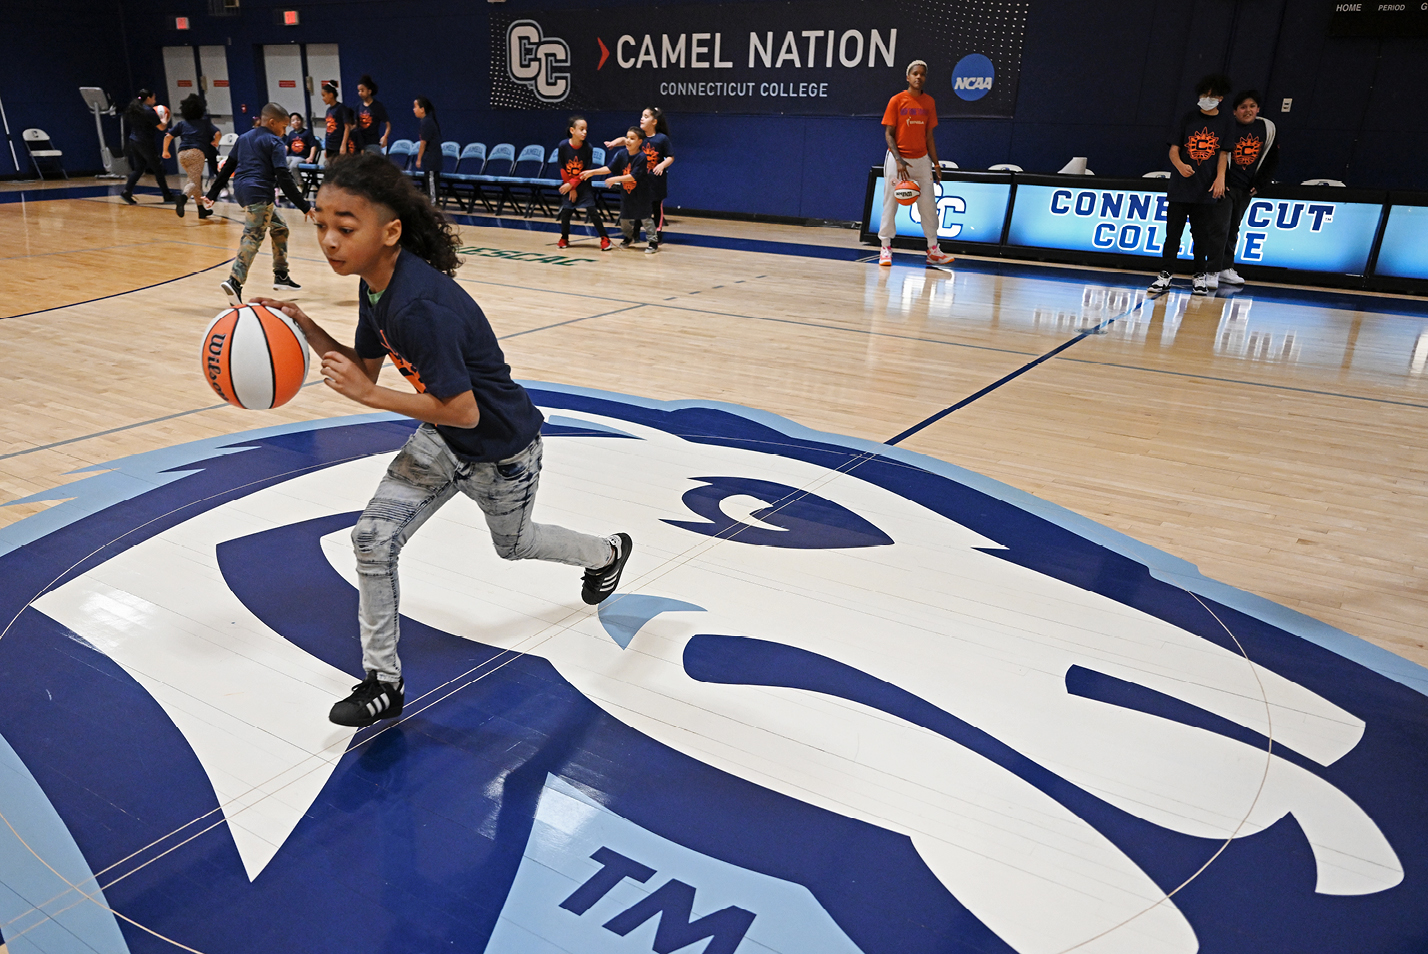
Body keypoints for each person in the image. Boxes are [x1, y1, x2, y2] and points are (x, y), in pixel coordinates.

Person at [249, 152, 634, 727]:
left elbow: (463, 409)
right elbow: (367, 366)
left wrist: (368, 397)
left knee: (516, 544)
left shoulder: (419, 305)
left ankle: (609, 552)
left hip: (502, 449)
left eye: (345, 227)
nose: (329, 240)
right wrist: (302, 324)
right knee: (372, 541)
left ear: (390, 232)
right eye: (320, 223)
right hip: (445, 441)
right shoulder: (375, 284)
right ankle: (383, 681)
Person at [200, 103, 313, 305]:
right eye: (283, 126)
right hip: (259, 191)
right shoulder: (275, 142)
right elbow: (284, 177)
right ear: (272, 122)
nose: (284, 131)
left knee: (280, 228)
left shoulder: (244, 138)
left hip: (242, 191)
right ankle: (234, 282)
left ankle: (281, 275)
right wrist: (304, 205)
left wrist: (212, 193)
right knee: (253, 235)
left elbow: (228, 167)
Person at [1149, 74, 1233, 297]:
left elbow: (1223, 154)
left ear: (1220, 98)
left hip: (1206, 189)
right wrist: (1179, 164)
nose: (1207, 98)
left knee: (1201, 236)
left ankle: (1199, 277)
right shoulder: (1187, 118)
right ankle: (1165, 275)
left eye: (1212, 95)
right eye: (1204, 94)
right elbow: (1174, 149)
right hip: (1180, 188)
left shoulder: (1225, 122)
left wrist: (1220, 178)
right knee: (1172, 234)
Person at [877, 61, 955, 268]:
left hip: (921, 160)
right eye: (915, 73)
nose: (919, 77)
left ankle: (933, 249)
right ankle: (885, 247)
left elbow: (929, 136)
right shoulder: (897, 100)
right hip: (897, 159)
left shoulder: (929, 102)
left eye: (922, 74)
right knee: (890, 203)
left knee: (929, 205)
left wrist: (936, 164)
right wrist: (899, 160)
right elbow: (888, 134)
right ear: (908, 77)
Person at [1217, 90, 1279, 287]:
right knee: (1220, 228)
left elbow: (1271, 160)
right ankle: (1210, 269)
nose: (1248, 110)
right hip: (1225, 187)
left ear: (1258, 109)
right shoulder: (1226, 127)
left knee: (1234, 227)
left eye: (1252, 106)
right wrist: (1220, 180)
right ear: (1235, 111)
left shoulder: (1267, 128)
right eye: (1243, 107)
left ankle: (1226, 268)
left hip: (1245, 189)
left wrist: (1259, 184)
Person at [605, 107, 674, 252]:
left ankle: (657, 234)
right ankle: (633, 234)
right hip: (639, 181)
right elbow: (623, 140)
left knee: (655, 207)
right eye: (642, 115)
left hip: (655, 181)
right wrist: (613, 143)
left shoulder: (662, 139)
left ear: (654, 121)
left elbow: (670, 157)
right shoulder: (637, 137)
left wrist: (661, 165)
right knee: (637, 207)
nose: (642, 118)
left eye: (646, 116)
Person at [555, 115, 612, 251]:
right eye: (581, 129)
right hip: (568, 183)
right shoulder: (563, 146)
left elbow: (586, 170)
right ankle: (564, 238)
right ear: (572, 130)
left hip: (583, 183)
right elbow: (562, 167)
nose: (585, 132)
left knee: (592, 211)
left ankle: (605, 238)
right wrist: (570, 187)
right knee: (566, 211)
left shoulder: (588, 147)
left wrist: (573, 185)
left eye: (586, 129)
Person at [162, 94, 221, 219]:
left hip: (182, 154)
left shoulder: (181, 124)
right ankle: (183, 198)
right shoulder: (204, 123)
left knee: (194, 180)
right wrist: (215, 142)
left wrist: (165, 151)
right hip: (196, 153)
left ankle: (201, 209)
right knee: (194, 182)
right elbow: (217, 133)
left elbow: (168, 136)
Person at [599, 127, 655, 251]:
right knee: (624, 220)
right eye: (627, 138)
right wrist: (591, 172)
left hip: (641, 194)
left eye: (632, 138)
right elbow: (609, 168)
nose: (628, 141)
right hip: (627, 193)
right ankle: (628, 238)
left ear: (640, 142)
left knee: (646, 219)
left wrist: (615, 179)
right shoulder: (621, 154)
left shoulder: (642, 157)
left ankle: (653, 242)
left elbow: (632, 176)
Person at [120, 89, 175, 206]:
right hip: (145, 142)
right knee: (158, 168)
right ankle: (167, 195)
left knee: (139, 168)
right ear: (148, 98)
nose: (155, 100)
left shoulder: (135, 108)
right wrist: (164, 121)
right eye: (154, 98)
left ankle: (126, 191)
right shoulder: (149, 111)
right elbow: (161, 128)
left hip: (134, 141)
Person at [412, 97, 441, 202]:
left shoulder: (427, 122)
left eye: (415, 107)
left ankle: (434, 205)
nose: (413, 109)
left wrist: (418, 159)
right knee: (429, 182)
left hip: (432, 160)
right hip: (429, 160)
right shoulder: (425, 121)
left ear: (422, 109)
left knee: (431, 182)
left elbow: (423, 143)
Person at [353, 75, 391, 156]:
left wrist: (385, 136)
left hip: (373, 142)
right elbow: (355, 124)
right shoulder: (358, 106)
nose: (360, 93)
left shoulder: (377, 106)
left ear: (369, 91)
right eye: (359, 91)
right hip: (361, 142)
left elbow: (388, 124)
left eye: (362, 90)